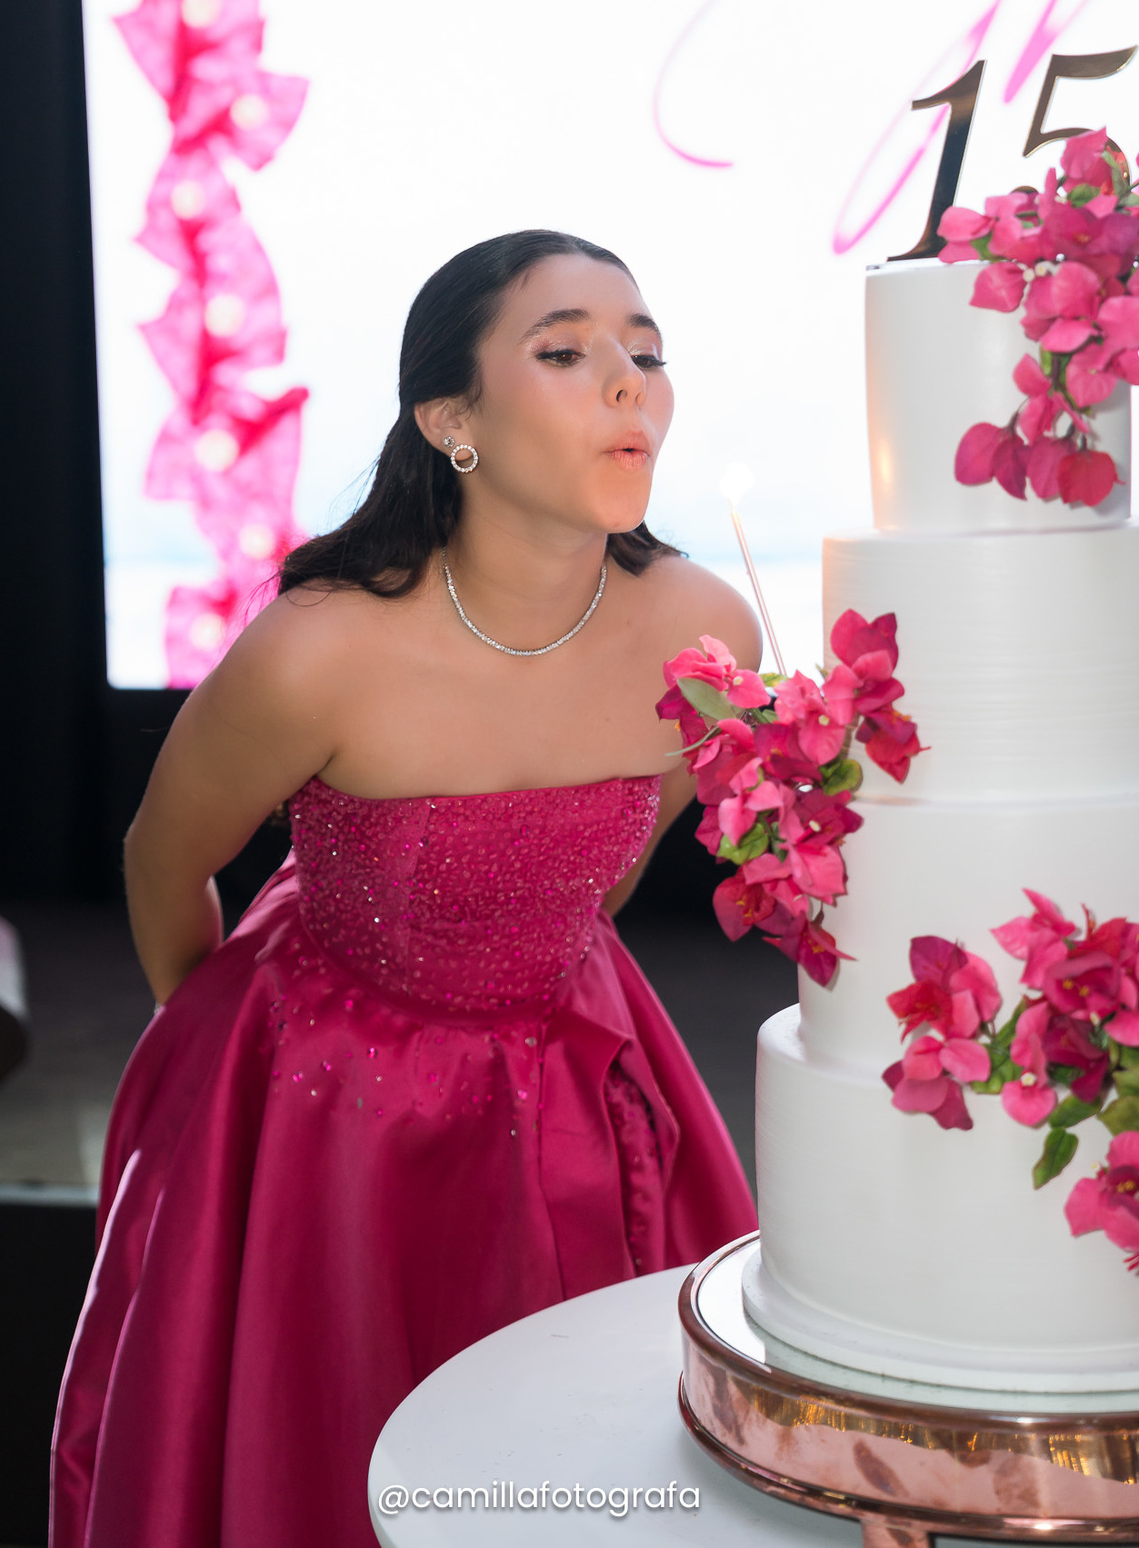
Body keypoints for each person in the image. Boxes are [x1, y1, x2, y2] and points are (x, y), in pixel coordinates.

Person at [51, 230, 759, 1548]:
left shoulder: (703, 631)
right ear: (452, 420)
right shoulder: (320, 651)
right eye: (567, 351)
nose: (630, 381)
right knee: (327, 1434)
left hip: (580, 1077)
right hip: (328, 1105)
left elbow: (609, 879)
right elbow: (165, 856)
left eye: (647, 351)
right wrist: (211, 1070)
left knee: (580, 1457)